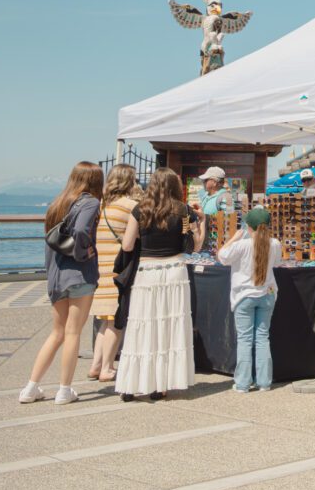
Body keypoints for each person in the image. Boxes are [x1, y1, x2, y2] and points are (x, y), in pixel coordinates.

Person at [20, 161, 103, 404]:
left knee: (57, 332)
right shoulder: (90, 202)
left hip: (56, 276)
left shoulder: (57, 203)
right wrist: (83, 253)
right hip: (79, 275)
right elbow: (80, 231)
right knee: (73, 331)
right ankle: (64, 390)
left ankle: (31, 387)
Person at [115, 168, 200, 402]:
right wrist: (198, 223)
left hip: (147, 273)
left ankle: (131, 385)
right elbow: (195, 246)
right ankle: (159, 386)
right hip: (174, 271)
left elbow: (128, 245)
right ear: (175, 186)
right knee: (168, 327)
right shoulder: (183, 211)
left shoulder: (140, 209)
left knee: (141, 326)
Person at [217, 207, 280, 392]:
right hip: (266, 294)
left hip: (244, 295)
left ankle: (243, 383)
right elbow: (277, 263)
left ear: (249, 226)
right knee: (262, 337)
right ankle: (264, 382)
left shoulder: (242, 245)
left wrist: (235, 238)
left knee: (245, 339)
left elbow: (222, 257)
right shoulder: (275, 243)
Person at [89, 163, 140, 382]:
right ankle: (107, 367)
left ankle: (95, 364)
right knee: (116, 322)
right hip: (119, 269)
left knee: (104, 321)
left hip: (99, 268)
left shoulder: (100, 206)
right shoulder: (131, 206)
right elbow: (136, 237)